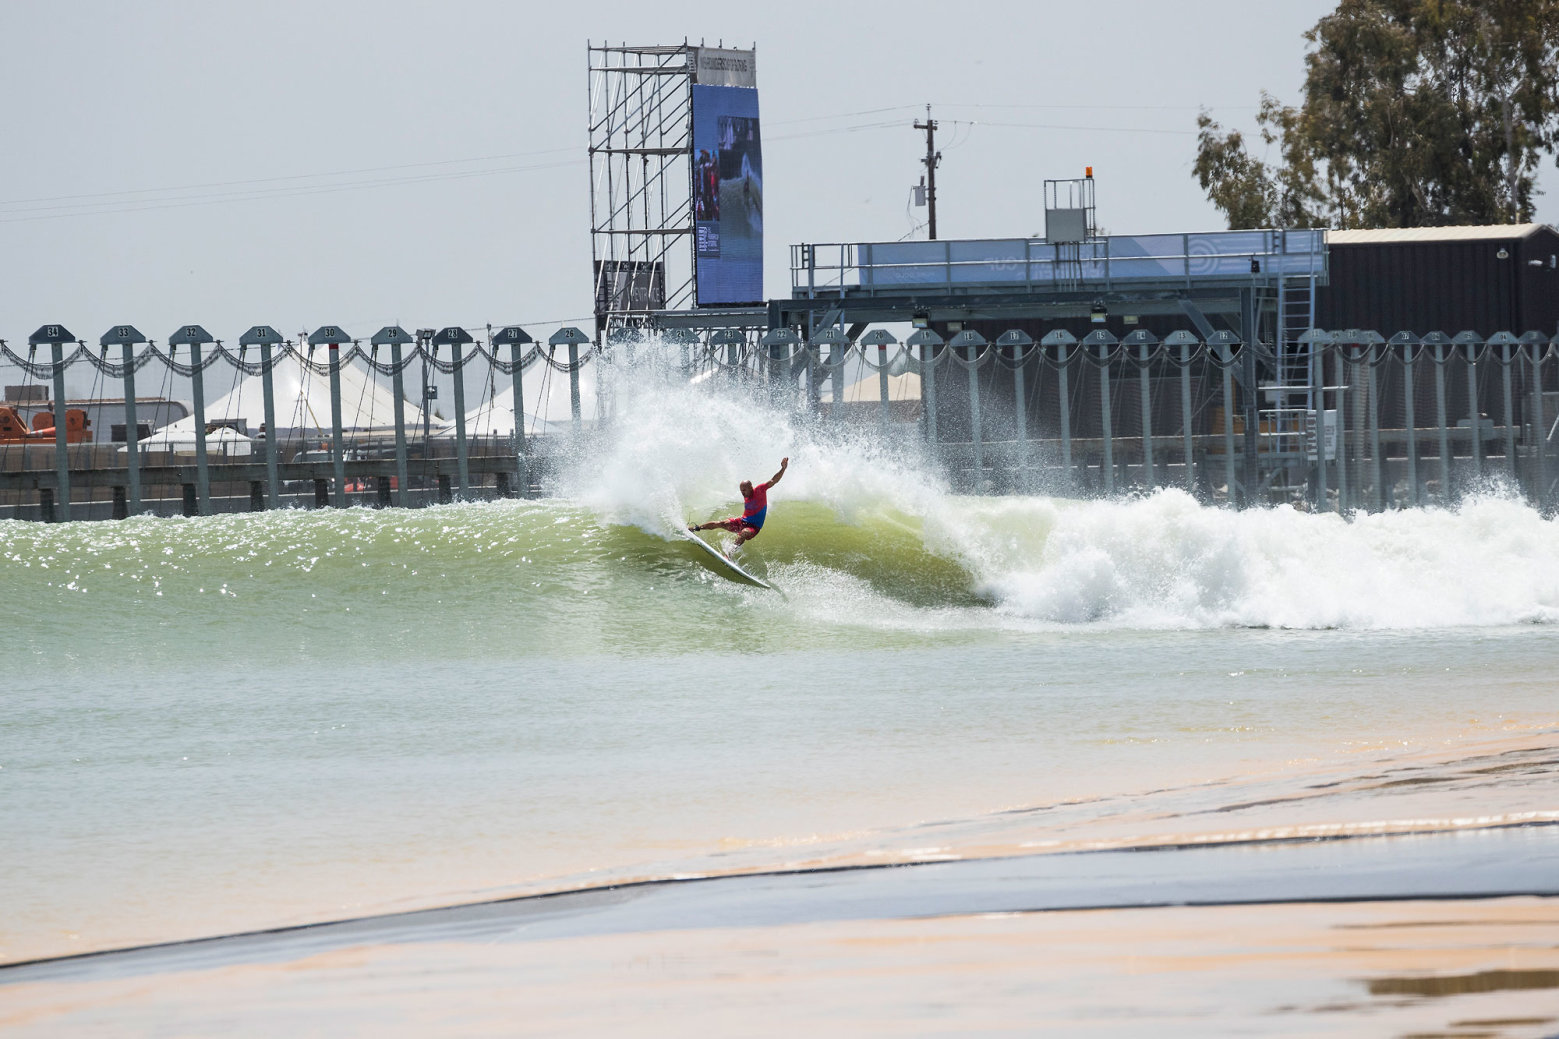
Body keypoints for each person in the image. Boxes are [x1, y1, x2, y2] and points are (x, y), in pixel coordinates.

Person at [690, 457, 788, 550]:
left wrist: (783, 468)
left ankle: (729, 553)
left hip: (753, 527)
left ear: (751, 487)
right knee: (721, 523)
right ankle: (696, 528)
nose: (742, 493)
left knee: (744, 533)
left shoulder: (760, 490)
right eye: (741, 491)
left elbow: (773, 481)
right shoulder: (746, 495)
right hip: (742, 521)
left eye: (744, 490)